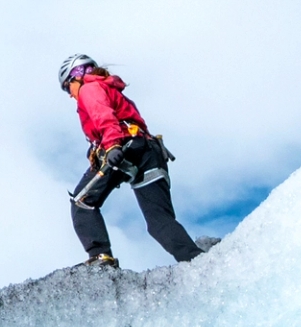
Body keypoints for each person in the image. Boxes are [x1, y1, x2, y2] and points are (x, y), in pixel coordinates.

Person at [57, 53, 205, 268]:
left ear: (77, 76)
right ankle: (197, 261)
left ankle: (100, 258)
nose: (69, 94)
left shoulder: (90, 88)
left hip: (124, 149)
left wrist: (113, 146)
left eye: (67, 86)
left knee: (82, 202)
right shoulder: (112, 89)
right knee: (159, 222)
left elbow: (103, 116)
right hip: (150, 152)